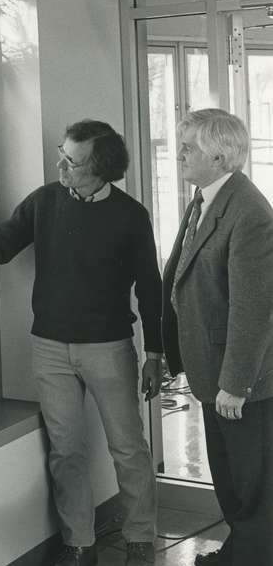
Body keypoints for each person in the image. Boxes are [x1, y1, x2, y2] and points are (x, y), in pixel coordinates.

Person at [0, 119, 163, 566]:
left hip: (108, 348)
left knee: (128, 447)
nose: (60, 164)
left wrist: (155, 352)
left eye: (72, 160)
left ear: (101, 168)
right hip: (49, 347)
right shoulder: (45, 201)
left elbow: (150, 287)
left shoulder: (130, 216)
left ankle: (140, 540)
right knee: (66, 451)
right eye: (61, 153)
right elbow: (2, 244)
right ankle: (80, 545)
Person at [161, 108, 273, 566]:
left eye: (189, 147)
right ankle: (240, 555)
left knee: (252, 485)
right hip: (214, 371)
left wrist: (236, 383)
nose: (180, 154)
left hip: (241, 382)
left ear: (221, 157)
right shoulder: (206, 197)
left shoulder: (249, 212)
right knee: (230, 481)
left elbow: (254, 308)